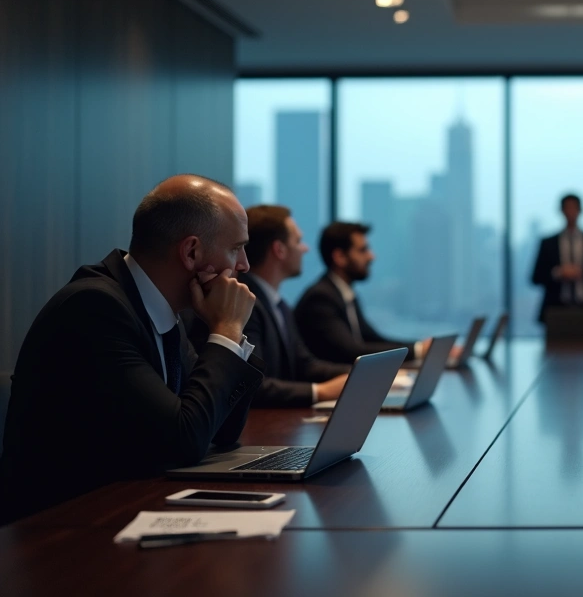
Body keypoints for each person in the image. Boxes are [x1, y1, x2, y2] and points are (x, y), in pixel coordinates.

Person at [0, 175, 263, 525]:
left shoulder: (157, 309)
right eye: (236, 248)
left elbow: (223, 429)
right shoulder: (95, 309)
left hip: (121, 510)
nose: (244, 264)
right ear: (191, 252)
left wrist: (229, 331)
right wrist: (226, 331)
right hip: (62, 534)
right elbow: (183, 440)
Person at [184, 206, 348, 407]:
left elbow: (304, 363)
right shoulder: (241, 303)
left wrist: (354, 374)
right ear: (279, 249)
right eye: (298, 241)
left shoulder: (279, 304)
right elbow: (251, 385)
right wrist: (320, 392)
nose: (305, 248)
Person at [295, 222, 430, 364]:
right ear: (340, 257)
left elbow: (372, 338)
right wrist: (418, 350)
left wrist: (419, 347)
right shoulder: (321, 298)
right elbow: (352, 352)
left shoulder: (345, 294)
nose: (371, 256)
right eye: (363, 250)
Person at [530, 194, 583, 325]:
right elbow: (535, 277)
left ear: (580, 210)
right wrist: (558, 273)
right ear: (561, 210)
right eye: (567, 208)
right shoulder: (548, 243)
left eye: (574, 208)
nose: (570, 212)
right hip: (556, 309)